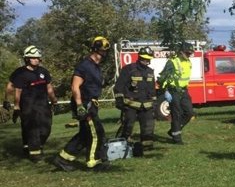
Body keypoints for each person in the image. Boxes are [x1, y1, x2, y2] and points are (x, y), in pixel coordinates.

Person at [54, 36, 111, 172]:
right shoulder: (84, 66)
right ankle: (94, 162)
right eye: (102, 51)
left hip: (91, 103)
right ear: (95, 50)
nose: (104, 54)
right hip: (84, 104)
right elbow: (75, 86)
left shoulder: (96, 67)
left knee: (85, 134)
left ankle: (63, 159)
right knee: (96, 133)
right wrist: (80, 106)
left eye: (105, 52)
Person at [3, 45, 58, 162]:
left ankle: (33, 146)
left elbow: (49, 87)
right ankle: (35, 155)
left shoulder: (44, 72)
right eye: (34, 58)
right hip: (28, 105)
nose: (36, 60)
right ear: (27, 58)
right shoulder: (20, 73)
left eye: (38, 58)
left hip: (43, 104)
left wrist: (54, 100)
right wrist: (16, 106)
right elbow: (17, 90)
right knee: (32, 128)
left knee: (46, 129)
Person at [114, 46, 157, 156]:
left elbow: (152, 89)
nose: (147, 60)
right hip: (131, 104)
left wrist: (154, 102)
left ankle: (146, 147)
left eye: (148, 58)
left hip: (146, 105)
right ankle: (123, 146)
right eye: (144, 58)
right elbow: (119, 86)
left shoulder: (150, 72)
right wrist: (119, 99)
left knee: (148, 126)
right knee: (128, 125)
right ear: (139, 57)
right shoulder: (129, 69)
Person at [158, 42, 194, 144]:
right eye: (187, 53)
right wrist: (165, 91)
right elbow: (162, 78)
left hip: (184, 90)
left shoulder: (188, 62)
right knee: (176, 114)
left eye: (190, 53)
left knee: (189, 113)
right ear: (181, 52)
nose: (189, 55)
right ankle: (177, 138)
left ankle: (173, 131)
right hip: (173, 91)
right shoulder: (172, 62)